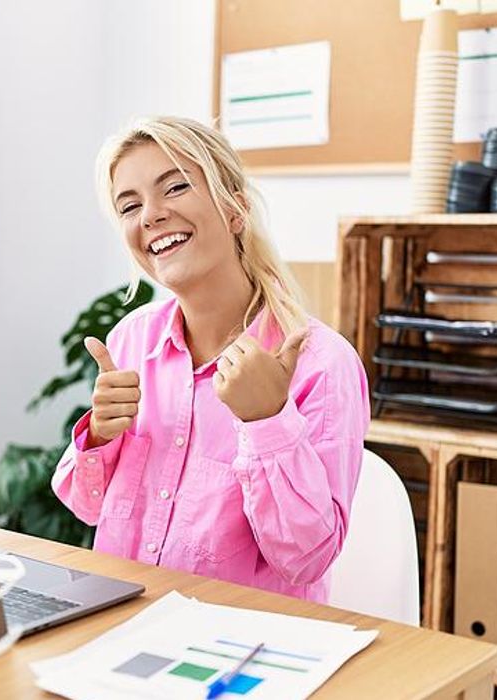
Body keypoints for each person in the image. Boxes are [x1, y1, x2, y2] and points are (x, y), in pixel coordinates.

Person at [51, 116, 369, 603]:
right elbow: (86, 506)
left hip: (242, 646)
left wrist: (268, 423)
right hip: (124, 626)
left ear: (236, 209)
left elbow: (306, 560)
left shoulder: (323, 364)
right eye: (129, 206)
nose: (150, 215)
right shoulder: (132, 340)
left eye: (174, 187)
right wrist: (99, 434)